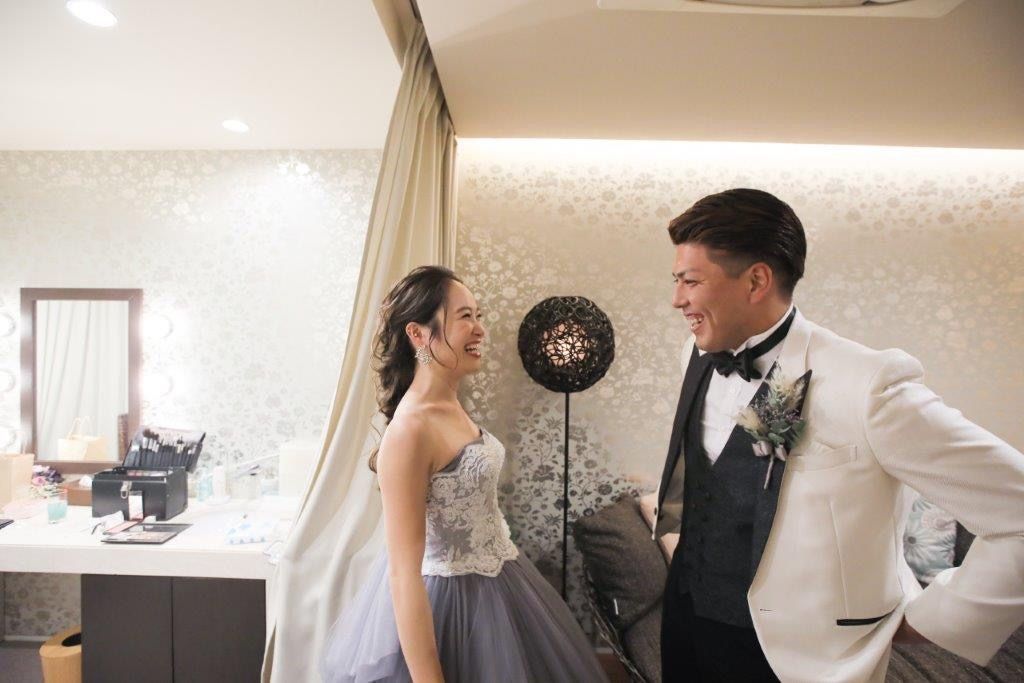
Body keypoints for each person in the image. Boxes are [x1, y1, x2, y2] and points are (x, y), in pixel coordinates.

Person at [653, 189, 1024, 682]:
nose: (677, 299)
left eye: (691, 281)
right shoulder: (697, 353)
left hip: (799, 656)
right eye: (677, 280)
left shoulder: (869, 385)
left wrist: (936, 618)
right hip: (686, 621)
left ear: (757, 280)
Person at [321, 265, 607, 683]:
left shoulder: (449, 402)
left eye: (478, 315)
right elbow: (403, 574)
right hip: (451, 604)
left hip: (504, 583)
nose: (479, 330)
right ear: (419, 334)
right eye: (464, 317)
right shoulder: (410, 430)